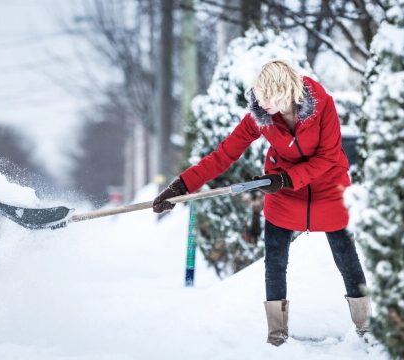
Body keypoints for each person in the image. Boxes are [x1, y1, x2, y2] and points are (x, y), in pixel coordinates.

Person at [152, 59, 371, 346]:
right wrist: (180, 186)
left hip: (327, 186)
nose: (261, 101)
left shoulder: (322, 104)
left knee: (347, 259)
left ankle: (366, 329)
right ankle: (277, 336)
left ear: (286, 90)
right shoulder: (261, 116)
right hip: (283, 189)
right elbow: (223, 155)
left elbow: (329, 157)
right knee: (275, 262)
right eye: (259, 94)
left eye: (268, 95)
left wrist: (286, 179)